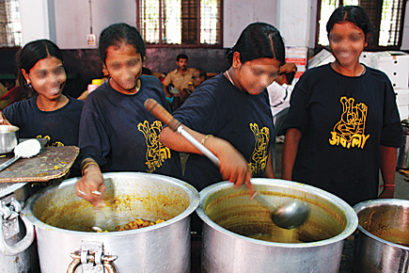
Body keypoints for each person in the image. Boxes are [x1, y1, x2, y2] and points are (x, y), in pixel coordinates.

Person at [281, 6, 402, 205]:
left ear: (365, 40)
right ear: (329, 40)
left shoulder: (380, 84)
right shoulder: (312, 81)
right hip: (312, 190)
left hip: (360, 190)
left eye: (354, 38)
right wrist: (287, 184)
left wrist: (389, 186)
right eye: (337, 38)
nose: (344, 46)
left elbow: (389, 140)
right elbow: (293, 133)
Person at [160, 22, 285, 193]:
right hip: (214, 202)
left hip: (249, 198)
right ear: (237, 59)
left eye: (272, 74)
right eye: (258, 72)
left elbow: (263, 143)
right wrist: (219, 147)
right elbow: (167, 134)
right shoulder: (212, 94)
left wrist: (272, 187)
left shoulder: (258, 91)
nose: (265, 81)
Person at [75, 23, 181, 206]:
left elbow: (170, 128)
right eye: (116, 66)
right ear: (104, 67)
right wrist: (90, 171)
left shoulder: (153, 85)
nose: (126, 74)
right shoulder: (97, 102)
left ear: (143, 58)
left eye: (133, 63)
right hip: (131, 196)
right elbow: (90, 150)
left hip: (169, 183)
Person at [0, 39, 83, 176]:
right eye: (42, 74)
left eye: (58, 71)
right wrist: (6, 134)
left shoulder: (83, 112)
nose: (53, 80)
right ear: (27, 76)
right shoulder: (15, 114)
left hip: (73, 191)